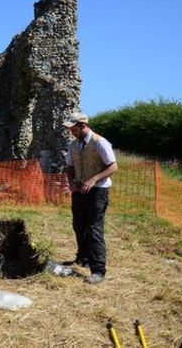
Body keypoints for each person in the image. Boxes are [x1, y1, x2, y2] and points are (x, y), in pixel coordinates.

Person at [63, 112, 117, 285]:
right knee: (79, 225)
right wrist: (71, 182)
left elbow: (113, 166)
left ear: (82, 125)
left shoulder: (100, 142)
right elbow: (69, 167)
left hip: (98, 192)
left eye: (73, 128)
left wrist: (93, 180)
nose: (71, 131)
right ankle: (82, 258)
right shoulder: (73, 146)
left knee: (94, 229)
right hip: (79, 191)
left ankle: (98, 270)